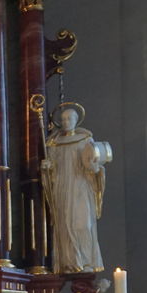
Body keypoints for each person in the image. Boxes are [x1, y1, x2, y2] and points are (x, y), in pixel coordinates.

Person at [41, 101, 108, 274]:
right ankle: (70, 263)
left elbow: (94, 163)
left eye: (69, 118)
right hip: (62, 187)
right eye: (63, 119)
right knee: (64, 224)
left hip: (81, 186)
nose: (66, 122)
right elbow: (52, 167)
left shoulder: (85, 140)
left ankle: (86, 262)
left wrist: (95, 168)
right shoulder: (54, 143)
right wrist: (48, 167)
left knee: (83, 224)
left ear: (76, 120)